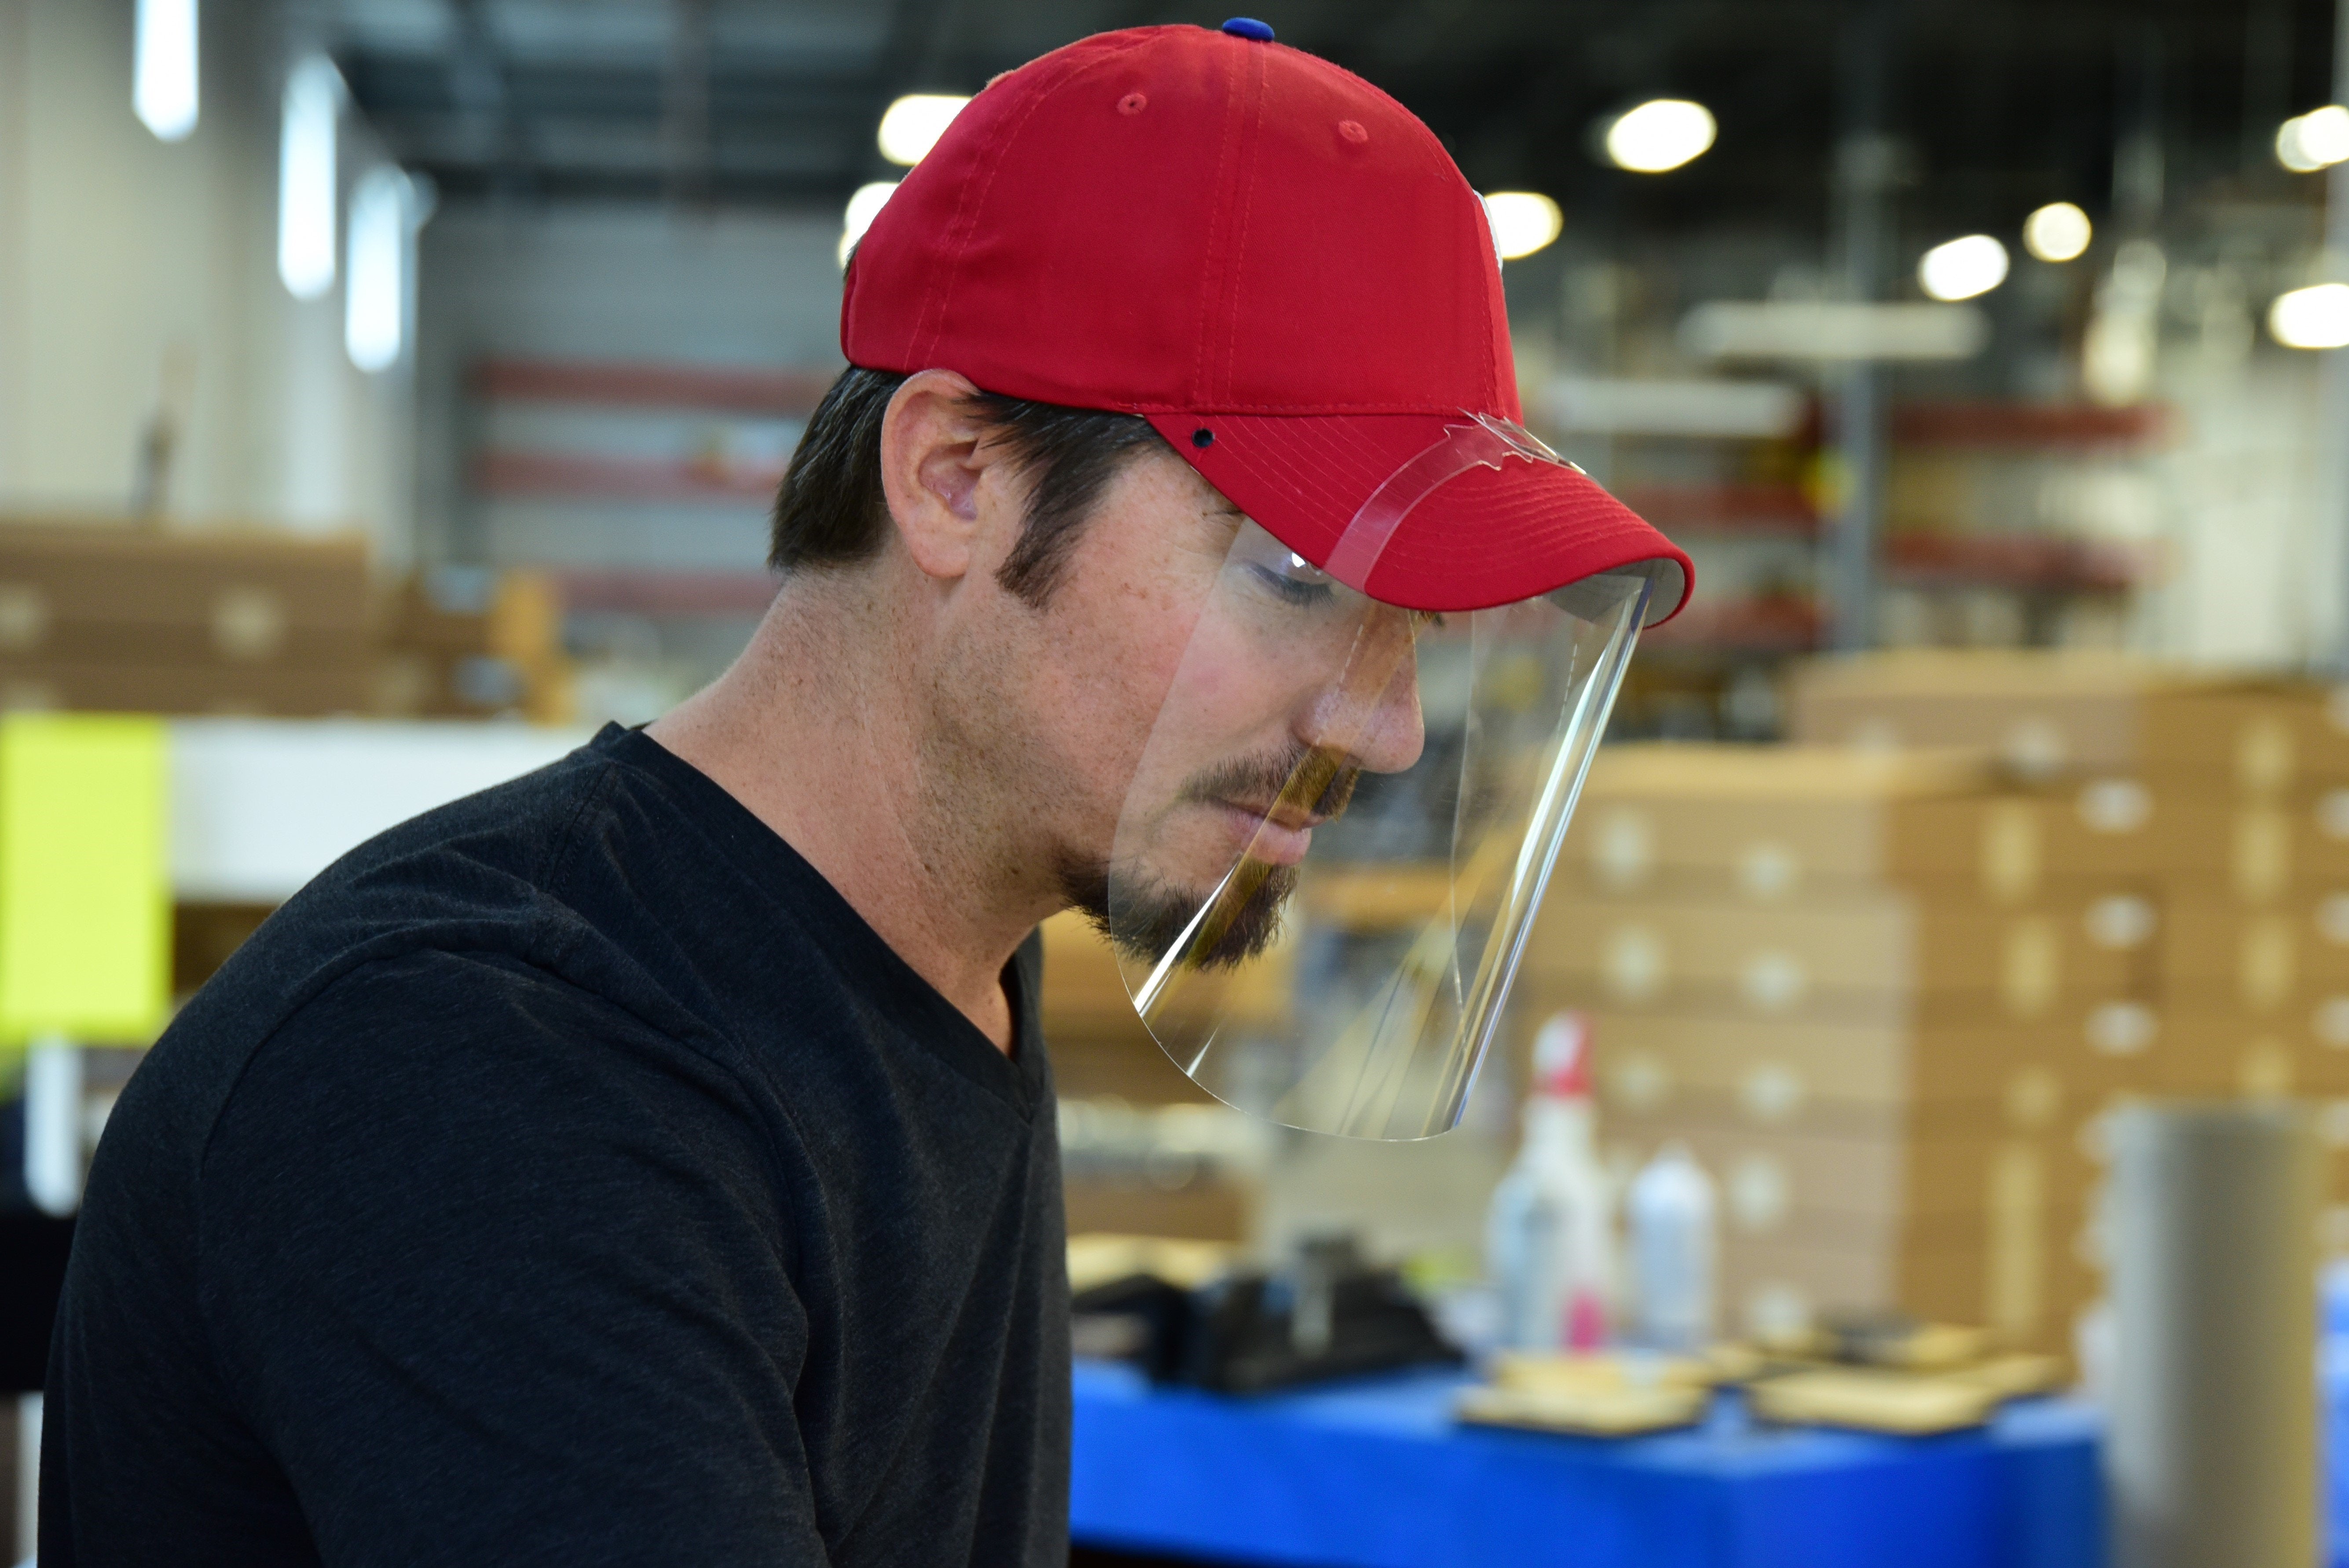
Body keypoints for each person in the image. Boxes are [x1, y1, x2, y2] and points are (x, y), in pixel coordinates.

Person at [40, 19, 1689, 1567]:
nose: (1386, 725)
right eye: (1292, 572)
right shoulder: (481, 1069)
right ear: (955, 478)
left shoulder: (949, 957)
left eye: (1414, 618)